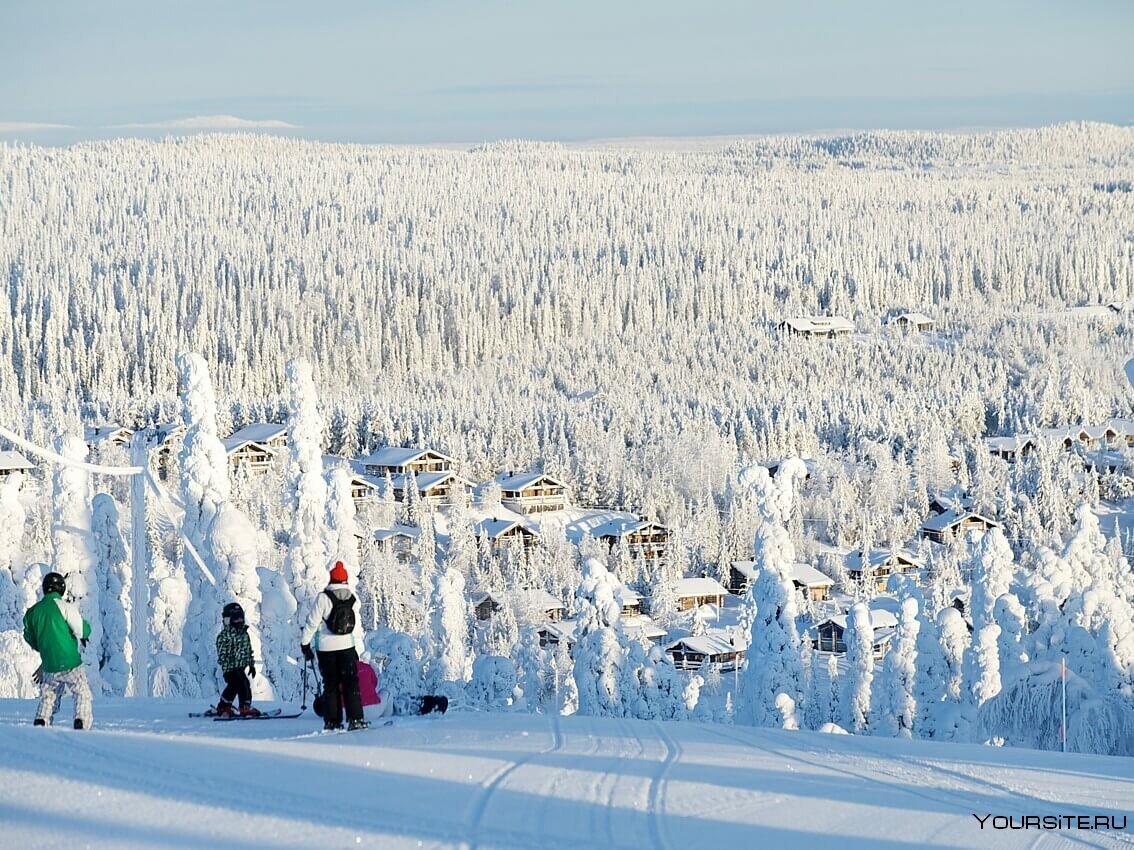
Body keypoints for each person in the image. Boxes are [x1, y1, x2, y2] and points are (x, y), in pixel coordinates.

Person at [301, 560, 368, 731]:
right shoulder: (352, 598)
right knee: (350, 683)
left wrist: (305, 643)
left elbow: (312, 623)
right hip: (347, 647)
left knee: (330, 685)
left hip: (326, 648)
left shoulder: (323, 598)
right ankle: (356, 719)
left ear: (331, 579)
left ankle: (332, 721)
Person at [23, 571, 93, 729]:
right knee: (81, 690)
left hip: (49, 664)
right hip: (70, 661)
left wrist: (42, 647)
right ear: (61, 588)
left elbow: (29, 636)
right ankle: (81, 720)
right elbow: (81, 629)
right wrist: (86, 633)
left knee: (49, 694)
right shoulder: (64, 606)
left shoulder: (32, 612)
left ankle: (42, 720)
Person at [214, 602, 260, 718]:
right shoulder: (224, 636)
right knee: (240, 683)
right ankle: (243, 707)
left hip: (240, 667)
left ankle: (224, 705)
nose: (239, 622)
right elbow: (222, 653)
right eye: (235, 619)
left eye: (240, 619)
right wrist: (230, 665)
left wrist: (251, 664)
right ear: (228, 620)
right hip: (230, 668)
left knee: (236, 685)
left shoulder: (244, 634)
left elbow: (248, 650)